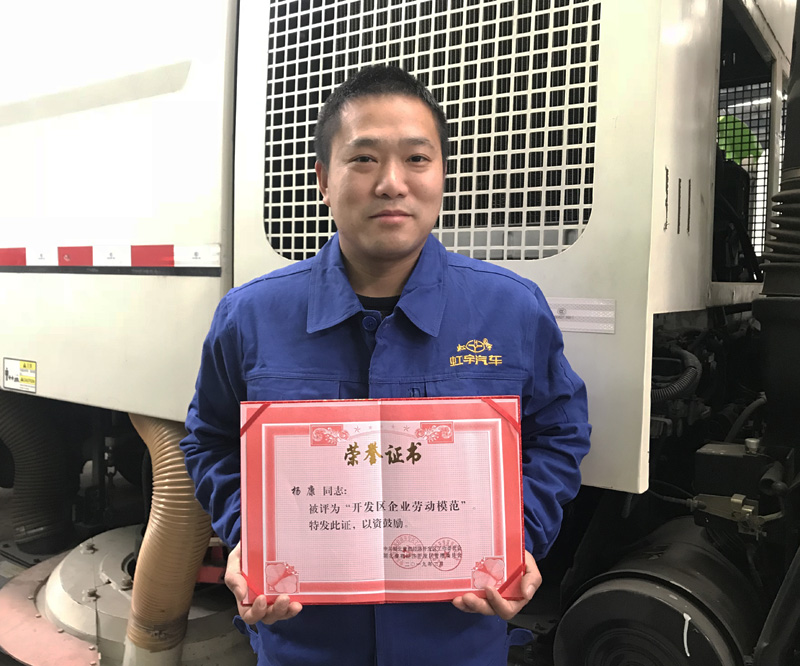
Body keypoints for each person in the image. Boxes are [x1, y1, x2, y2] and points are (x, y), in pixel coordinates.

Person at [180, 65, 591, 665]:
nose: (392, 183)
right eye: (364, 159)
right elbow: (211, 439)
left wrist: (516, 536)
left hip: (457, 640)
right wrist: (253, 534)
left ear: (442, 175)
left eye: (417, 159)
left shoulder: (511, 310)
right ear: (324, 179)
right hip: (304, 643)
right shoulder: (251, 317)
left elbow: (558, 433)